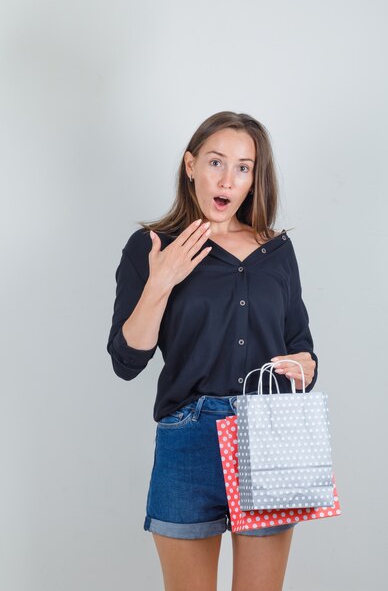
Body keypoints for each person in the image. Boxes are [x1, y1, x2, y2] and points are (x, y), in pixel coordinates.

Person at [107, 111, 318, 591]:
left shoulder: (276, 250)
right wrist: (161, 281)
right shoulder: (152, 247)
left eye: (243, 167)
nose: (228, 179)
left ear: (253, 179)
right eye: (216, 162)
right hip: (188, 440)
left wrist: (305, 366)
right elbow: (126, 361)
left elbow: (301, 345)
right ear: (190, 165)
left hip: (267, 440)